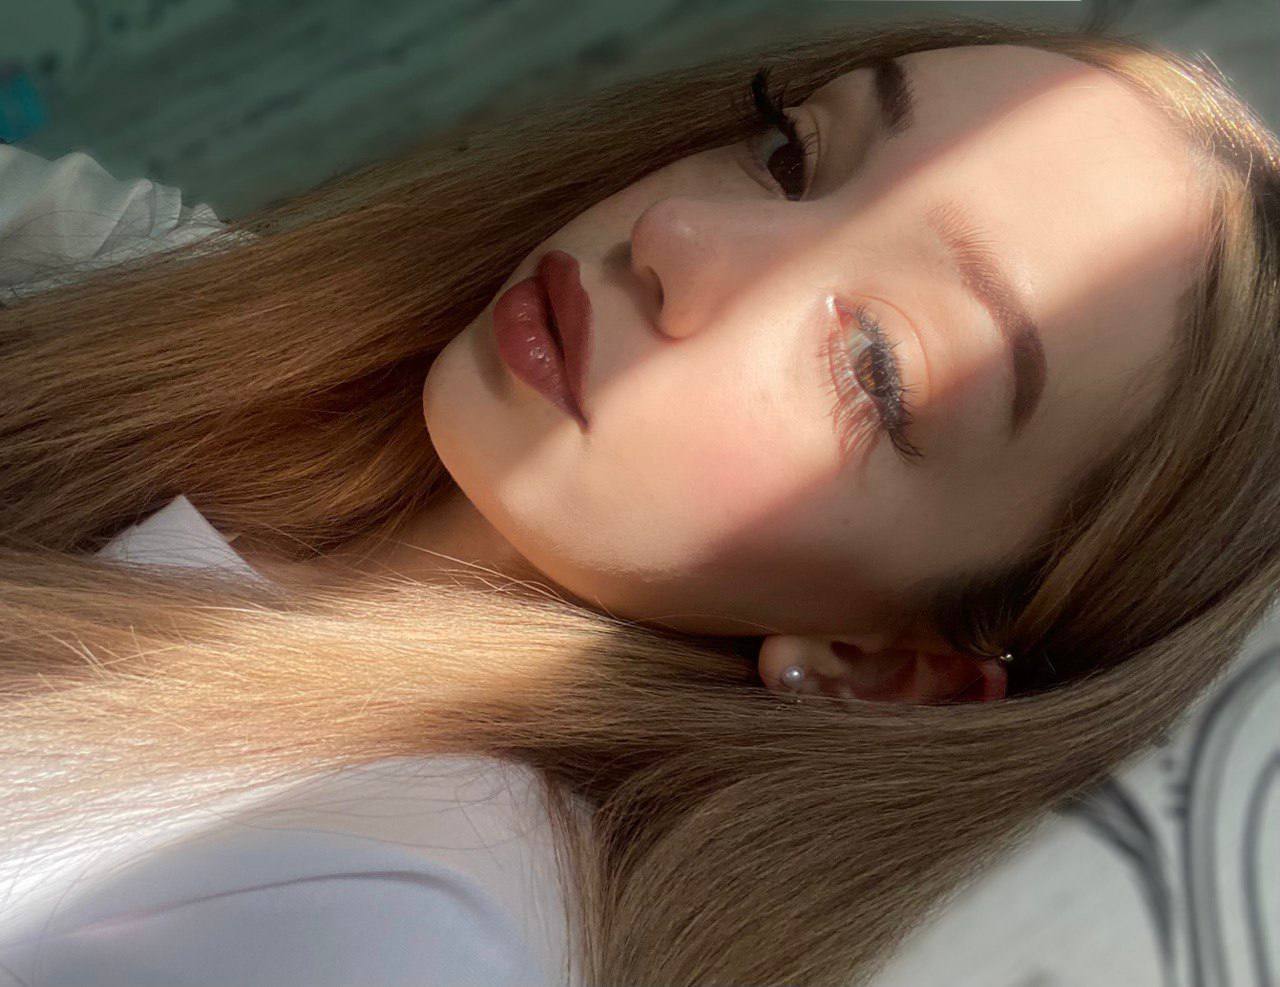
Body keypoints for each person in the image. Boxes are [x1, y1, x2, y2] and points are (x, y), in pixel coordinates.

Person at [1, 17, 1278, 987]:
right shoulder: (171, 320)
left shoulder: (383, 922)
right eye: (790, 155)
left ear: (886, 670)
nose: (678, 236)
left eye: (874, 365)